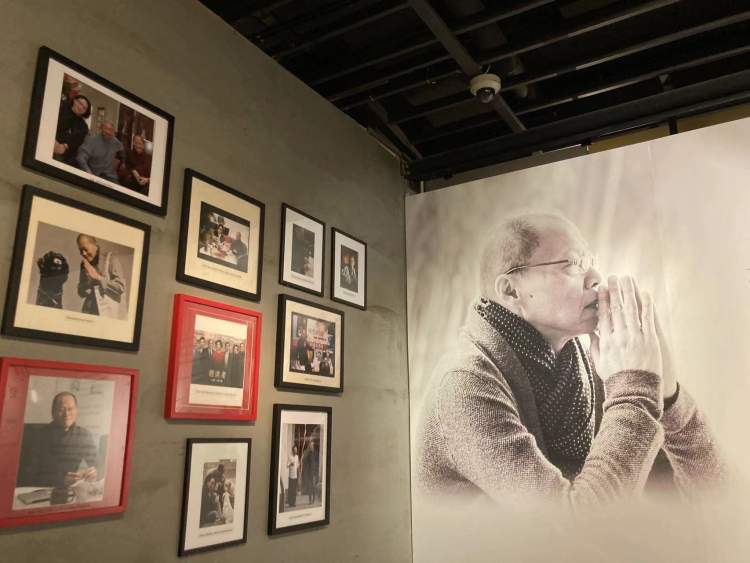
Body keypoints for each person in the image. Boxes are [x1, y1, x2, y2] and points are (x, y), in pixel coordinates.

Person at [416, 212, 723, 505]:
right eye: (573, 264)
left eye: (591, 263)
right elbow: (573, 527)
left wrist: (669, 398)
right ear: (511, 291)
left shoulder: (590, 367)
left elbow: (712, 499)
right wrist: (633, 390)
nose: (596, 278)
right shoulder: (465, 386)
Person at [16, 392, 98, 489]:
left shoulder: (84, 435)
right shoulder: (38, 436)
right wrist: (61, 479)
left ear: (76, 411)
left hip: (68, 491)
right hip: (40, 489)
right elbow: (28, 474)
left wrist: (94, 472)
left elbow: (97, 464)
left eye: (70, 409)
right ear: (53, 412)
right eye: (61, 410)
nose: (66, 414)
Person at [76, 234, 126, 318]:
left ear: (95, 245)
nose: (83, 253)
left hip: (109, 314)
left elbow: (120, 287)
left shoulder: (111, 258)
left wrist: (98, 278)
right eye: (80, 250)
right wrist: (85, 287)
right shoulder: (84, 264)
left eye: (85, 249)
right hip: (90, 312)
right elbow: (81, 291)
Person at [53, 95, 91, 167]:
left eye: (84, 108)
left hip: (64, 152)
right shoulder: (60, 108)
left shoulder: (83, 127)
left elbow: (75, 142)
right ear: (74, 100)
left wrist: (64, 146)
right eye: (80, 103)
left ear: (86, 112)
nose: (81, 107)